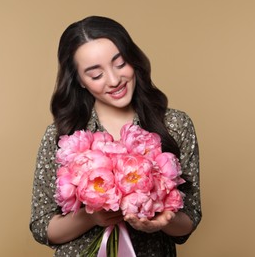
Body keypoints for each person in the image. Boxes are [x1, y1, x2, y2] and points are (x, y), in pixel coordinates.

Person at [30, 15, 201, 256]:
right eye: (96, 75)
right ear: (79, 80)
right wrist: (93, 218)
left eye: (120, 64)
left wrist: (159, 220)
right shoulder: (63, 135)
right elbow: (42, 226)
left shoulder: (174, 125)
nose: (114, 80)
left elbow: (189, 220)